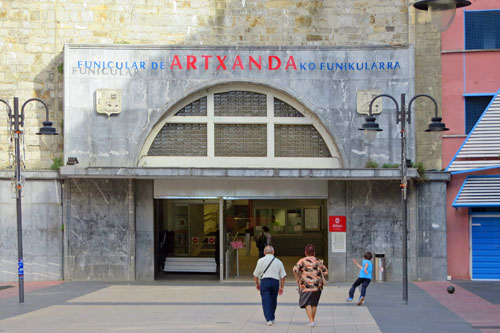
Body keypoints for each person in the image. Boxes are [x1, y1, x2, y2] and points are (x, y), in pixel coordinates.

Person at [293, 244, 328, 327]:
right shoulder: (318, 261)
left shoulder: (302, 260)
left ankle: (311, 321)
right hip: (317, 285)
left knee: (307, 303)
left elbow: (295, 270)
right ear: (314, 253)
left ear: (305, 252)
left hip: (306, 285)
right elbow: (326, 272)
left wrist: (297, 279)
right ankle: (312, 320)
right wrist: (317, 272)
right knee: (314, 303)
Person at [253, 245, 286, 326]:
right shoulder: (278, 261)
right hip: (275, 282)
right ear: (273, 252)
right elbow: (283, 276)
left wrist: (257, 284)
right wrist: (281, 287)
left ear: (264, 253)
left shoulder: (260, 261)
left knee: (265, 300)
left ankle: (268, 319)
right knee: (273, 299)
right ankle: (272, 316)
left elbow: (255, 275)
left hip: (264, 282)